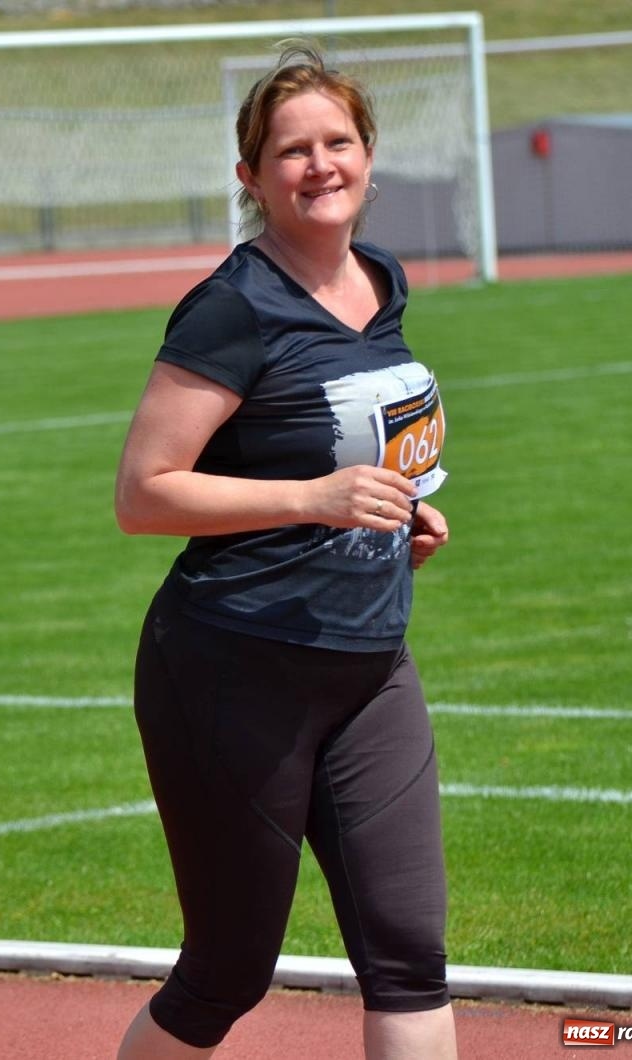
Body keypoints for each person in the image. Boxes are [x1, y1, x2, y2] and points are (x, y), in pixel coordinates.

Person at [113, 44, 456, 1059]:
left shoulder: (380, 280)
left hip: (369, 664)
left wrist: (401, 514)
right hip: (231, 669)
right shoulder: (232, 307)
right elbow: (143, 493)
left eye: (336, 142)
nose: (319, 165)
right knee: (227, 968)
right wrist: (314, 499)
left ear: (367, 156)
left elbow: (345, 432)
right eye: (291, 150)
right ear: (250, 178)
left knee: (409, 955)